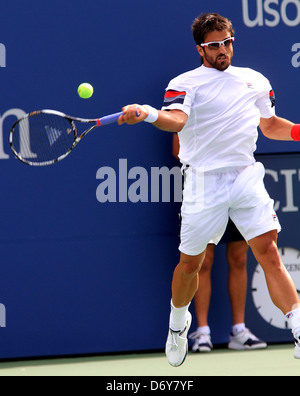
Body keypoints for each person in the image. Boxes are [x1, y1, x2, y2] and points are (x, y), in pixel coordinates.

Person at [118, 12, 300, 367]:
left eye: (227, 42)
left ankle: (297, 328)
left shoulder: (255, 81)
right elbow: (177, 120)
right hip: (203, 181)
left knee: (269, 251)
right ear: (200, 49)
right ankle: (176, 326)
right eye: (214, 45)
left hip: (245, 175)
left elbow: (270, 125)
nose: (223, 50)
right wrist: (150, 114)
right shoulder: (184, 83)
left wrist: (297, 132)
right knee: (190, 266)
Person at [173, 133, 266, 352]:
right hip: (203, 186)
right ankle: (202, 333)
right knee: (201, 263)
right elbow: (177, 148)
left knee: (239, 258)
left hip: (238, 183)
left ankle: (239, 330)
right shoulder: (187, 100)